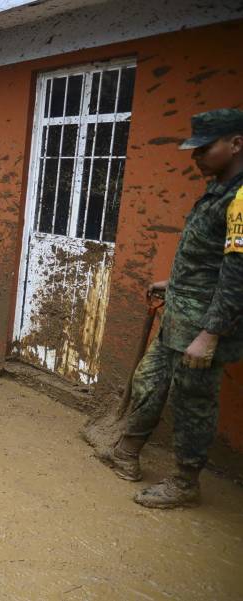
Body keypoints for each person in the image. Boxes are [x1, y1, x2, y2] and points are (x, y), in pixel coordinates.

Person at [101, 109, 243, 509]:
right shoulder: (217, 191)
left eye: (204, 149)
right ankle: (127, 452)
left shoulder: (241, 199)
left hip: (204, 326)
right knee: (149, 380)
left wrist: (209, 335)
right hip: (180, 313)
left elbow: (237, 275)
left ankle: (185, 482)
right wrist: (173, 282)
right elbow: (209, 259)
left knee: (193, 402)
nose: (195, 158)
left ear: (236, 144)